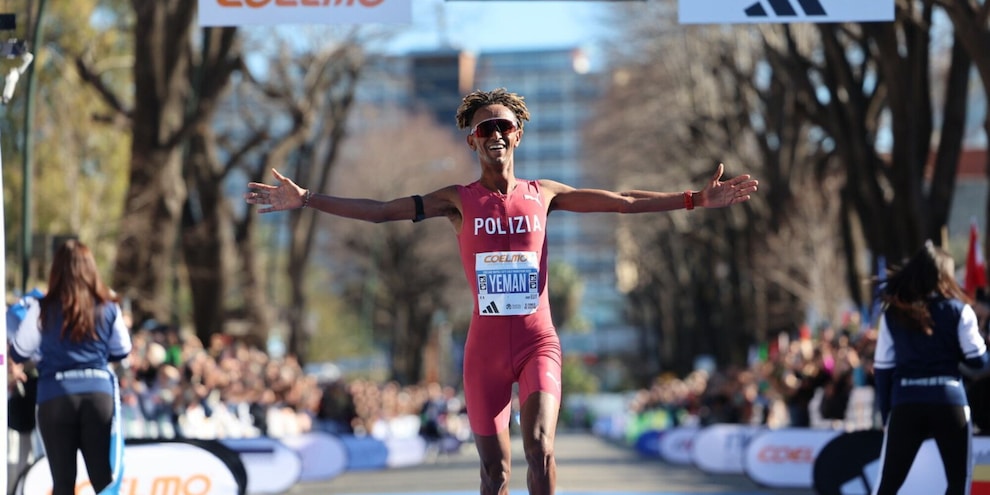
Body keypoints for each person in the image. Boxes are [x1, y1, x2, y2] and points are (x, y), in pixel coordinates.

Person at [245, 87, 759, 495]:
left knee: (541, 447)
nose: (494, 134)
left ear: (518, 136)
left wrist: (693, 199)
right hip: (484, 352)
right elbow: (383, 211)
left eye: (503, 126)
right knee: (496, 476)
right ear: (472, 141)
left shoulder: (546, 194)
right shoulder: (457, 201)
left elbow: (622, 201)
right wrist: (307, 198)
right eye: (483, 128)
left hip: (539, 342)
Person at [9, 240, 132, 495]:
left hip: (56, 394)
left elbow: (19, 350)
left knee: (63, 482)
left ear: (57, 269)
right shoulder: (108, 305)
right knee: (102, 478)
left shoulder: (42, 307)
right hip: (98, 393)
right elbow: (122, 350)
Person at [871, 241, 989, 495]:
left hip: (906, 402)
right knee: (958, 483)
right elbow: (978, 362)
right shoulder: (960, 311)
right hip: (949, 401)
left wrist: (886, 414)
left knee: (888, 485)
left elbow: (882, 369)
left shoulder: (893, 313)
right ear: (944, 275)